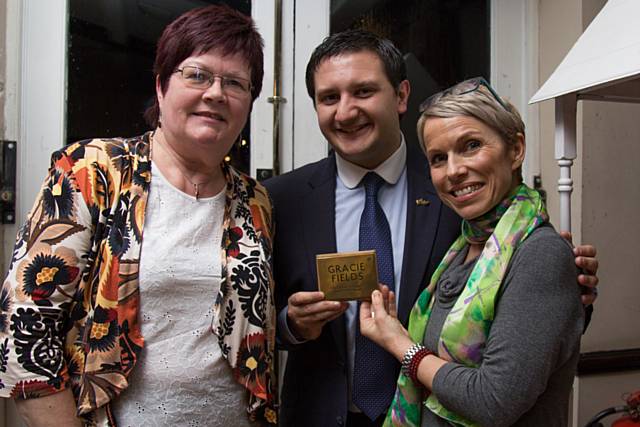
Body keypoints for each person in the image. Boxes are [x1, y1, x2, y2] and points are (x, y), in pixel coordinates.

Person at [265, 29, 598, 427]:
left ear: (401, 95)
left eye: (364, 91)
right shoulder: (282, 199)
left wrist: (574, 285)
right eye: (329, 98)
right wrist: (292, 324)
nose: (346, 111)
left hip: (430, 413)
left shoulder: (461, 192)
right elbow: (259, 319)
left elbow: (524, 313)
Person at [0, 5, 276, 426]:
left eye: (235, 83)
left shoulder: (254, 200)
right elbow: (27, 324)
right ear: (162, 85)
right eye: (197, 74)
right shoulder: (92, 171)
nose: (216, 93)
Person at [360, 77, 583, 426]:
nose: (454, 170)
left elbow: (493, 401)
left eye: (471, 145)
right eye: (438, 158)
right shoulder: (463, 246)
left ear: (516, 149)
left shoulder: (540, 253)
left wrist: (401, 346)